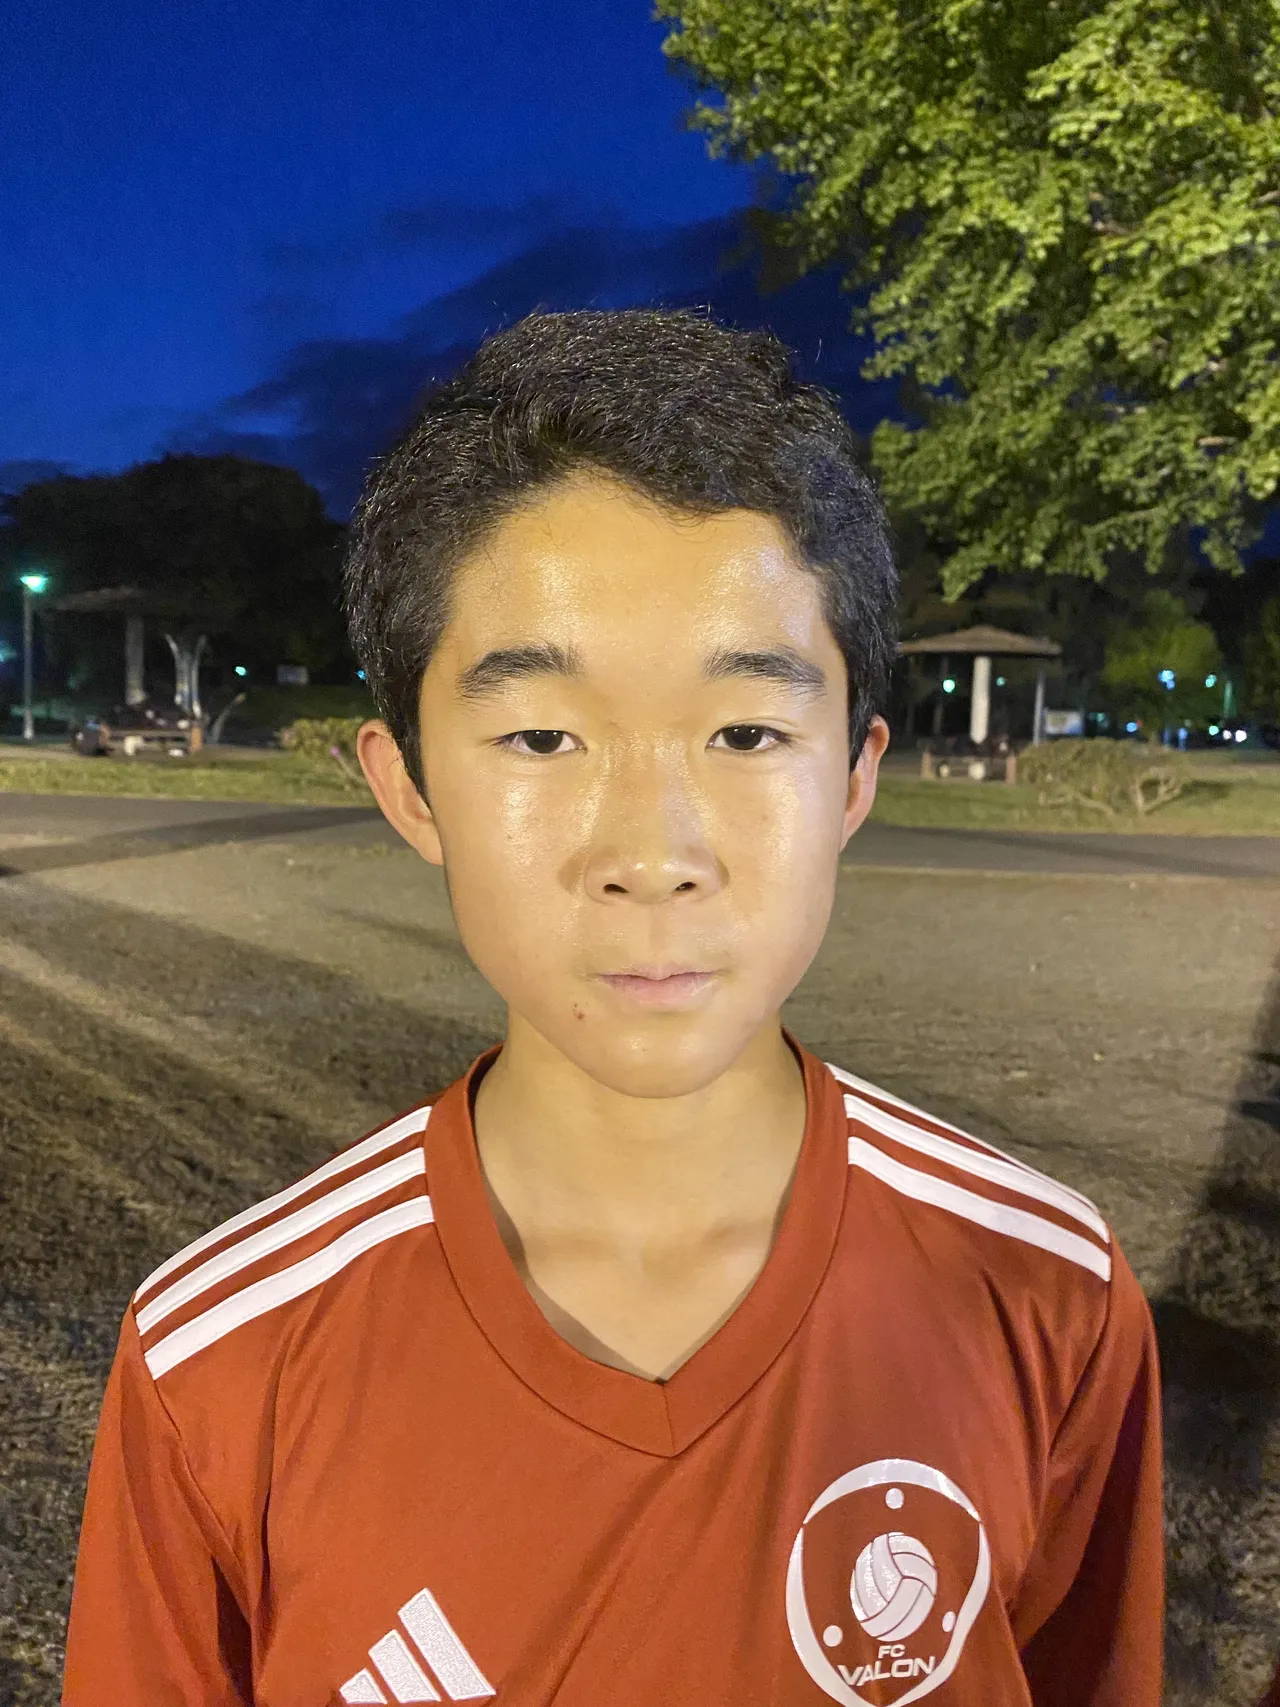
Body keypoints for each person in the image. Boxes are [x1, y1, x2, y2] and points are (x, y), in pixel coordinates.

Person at [62, 309, 1164, 1707]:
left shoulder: (1047, 1291)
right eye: (542, 735)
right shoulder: (219, 1360)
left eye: (747, 732)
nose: (652, 851)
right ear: (409, 787)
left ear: (854, 775)